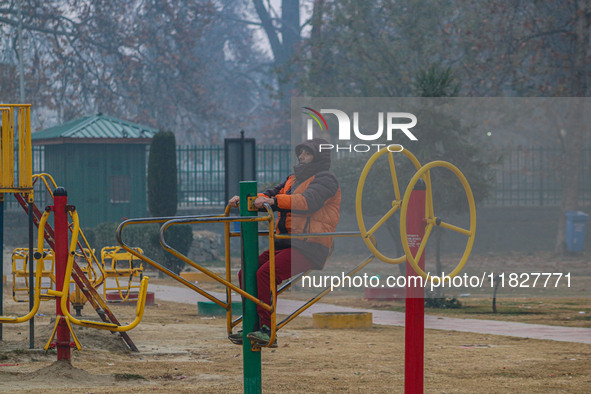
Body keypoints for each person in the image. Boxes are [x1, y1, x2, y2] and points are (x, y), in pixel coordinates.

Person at [228, 138, 341, 347]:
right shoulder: (293, 179)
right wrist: (247, 199)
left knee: (266, 274)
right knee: (246, 272)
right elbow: (271, 193)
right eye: (301, 153)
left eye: (307, 153)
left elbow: (308, 201)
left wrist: (273, 202)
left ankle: (268, 330)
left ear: (319, 156)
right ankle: (252, 324)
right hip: (286, 242)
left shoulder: (326, 180)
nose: (301, 157)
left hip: (310, 245)